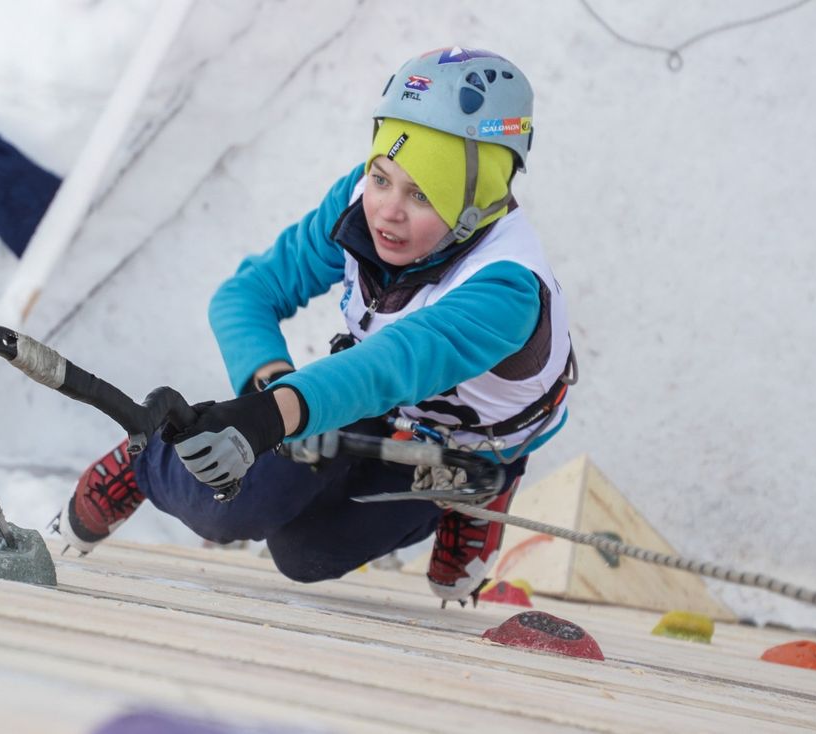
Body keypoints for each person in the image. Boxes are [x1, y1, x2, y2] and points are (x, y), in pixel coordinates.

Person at [53, 46, 574, 605]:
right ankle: (144, 461)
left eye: (423, 194)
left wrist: (276, 414)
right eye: (382, 177)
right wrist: (265, 393)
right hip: (365, 400)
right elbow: (247, 294)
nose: (387, 211)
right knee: (230, 509)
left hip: (463, 441)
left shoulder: (506, 288)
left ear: (475, 205)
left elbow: (394, 362)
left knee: (305, 554)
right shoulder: (359, 203)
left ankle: (468, 498)